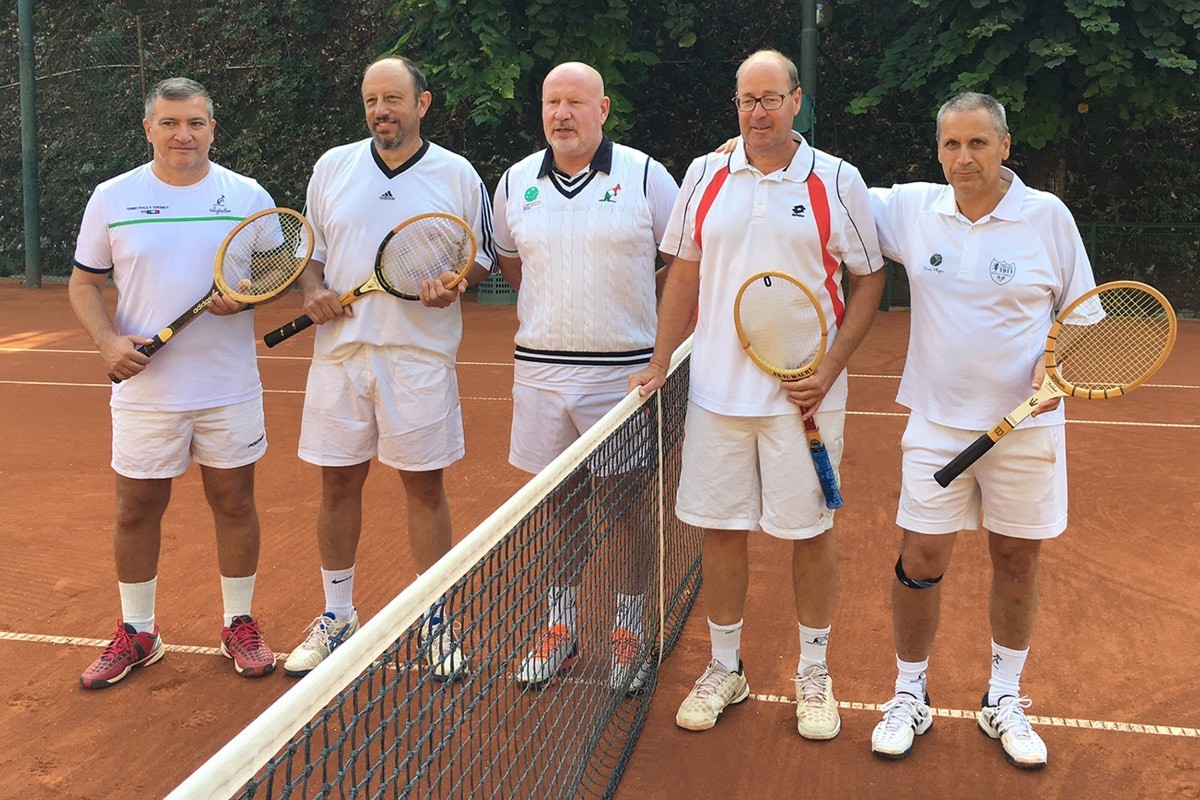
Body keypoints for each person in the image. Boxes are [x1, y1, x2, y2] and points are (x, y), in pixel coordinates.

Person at [629, 50, 885, 738]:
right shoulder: (705, 173)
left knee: (811, 533)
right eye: (747, 100)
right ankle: (726, 668)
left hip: (807, 400)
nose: (758, 112)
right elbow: (683, 273)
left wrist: (829, 368)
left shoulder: (837, 179)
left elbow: (870, 278)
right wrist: (660, 363)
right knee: (721, 529)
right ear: (734, 104)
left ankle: (813, 674)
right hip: (716, 395)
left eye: (771, 98)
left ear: (797, 101)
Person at [866, 92, 1097, 769]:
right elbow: (832, 188)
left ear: (1004, 146)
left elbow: (1081, 322)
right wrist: (755, 147)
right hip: (937, 426)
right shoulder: (911, 209)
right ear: (938, 150)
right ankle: (910, 694)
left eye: (976, 144)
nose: (963, 158)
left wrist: (1058, 376)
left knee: (1017, 560)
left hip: (1024, 434)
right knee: (920, 562)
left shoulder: (1046, 217)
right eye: (951, 145)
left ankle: (1003, 698)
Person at [282, 56, 494, 682]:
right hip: (340, 359)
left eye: (394, 99)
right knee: (337, 485)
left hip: (419, 359)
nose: (382, 110)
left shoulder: (456, 173)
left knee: (424, 487)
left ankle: (435, 618)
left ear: (422, 103)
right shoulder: (333, 167)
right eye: (372, 99)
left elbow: (477, 258)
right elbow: (311, 255)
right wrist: (311, 291)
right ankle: (338, 615)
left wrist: (455, 284)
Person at [69, 77, 278, 687]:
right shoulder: (113, 196)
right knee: (137, 508)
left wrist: (245, 301)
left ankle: (238, 622)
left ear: (213, 128)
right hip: (145, 392)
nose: (183, 134)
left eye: (195, 123)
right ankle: (139, 632)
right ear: (149, 129)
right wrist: (107, 341)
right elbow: (85, 283)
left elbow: (273, 270)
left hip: (228, 386)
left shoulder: (246, 194)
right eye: (169, 123)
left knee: (234, 502)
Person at [491, 62, 679, 694]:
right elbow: (513, 264)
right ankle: (561, 627)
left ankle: (629, 630)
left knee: (626, 505)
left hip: (622, 377)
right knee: (560, 505)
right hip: (540, 374)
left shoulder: (648, 176)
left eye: (575, 102)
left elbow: (683, 265)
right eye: (551, 103)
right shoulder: (516, 181)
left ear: (603, 110)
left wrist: (636, 310)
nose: (561, 114)